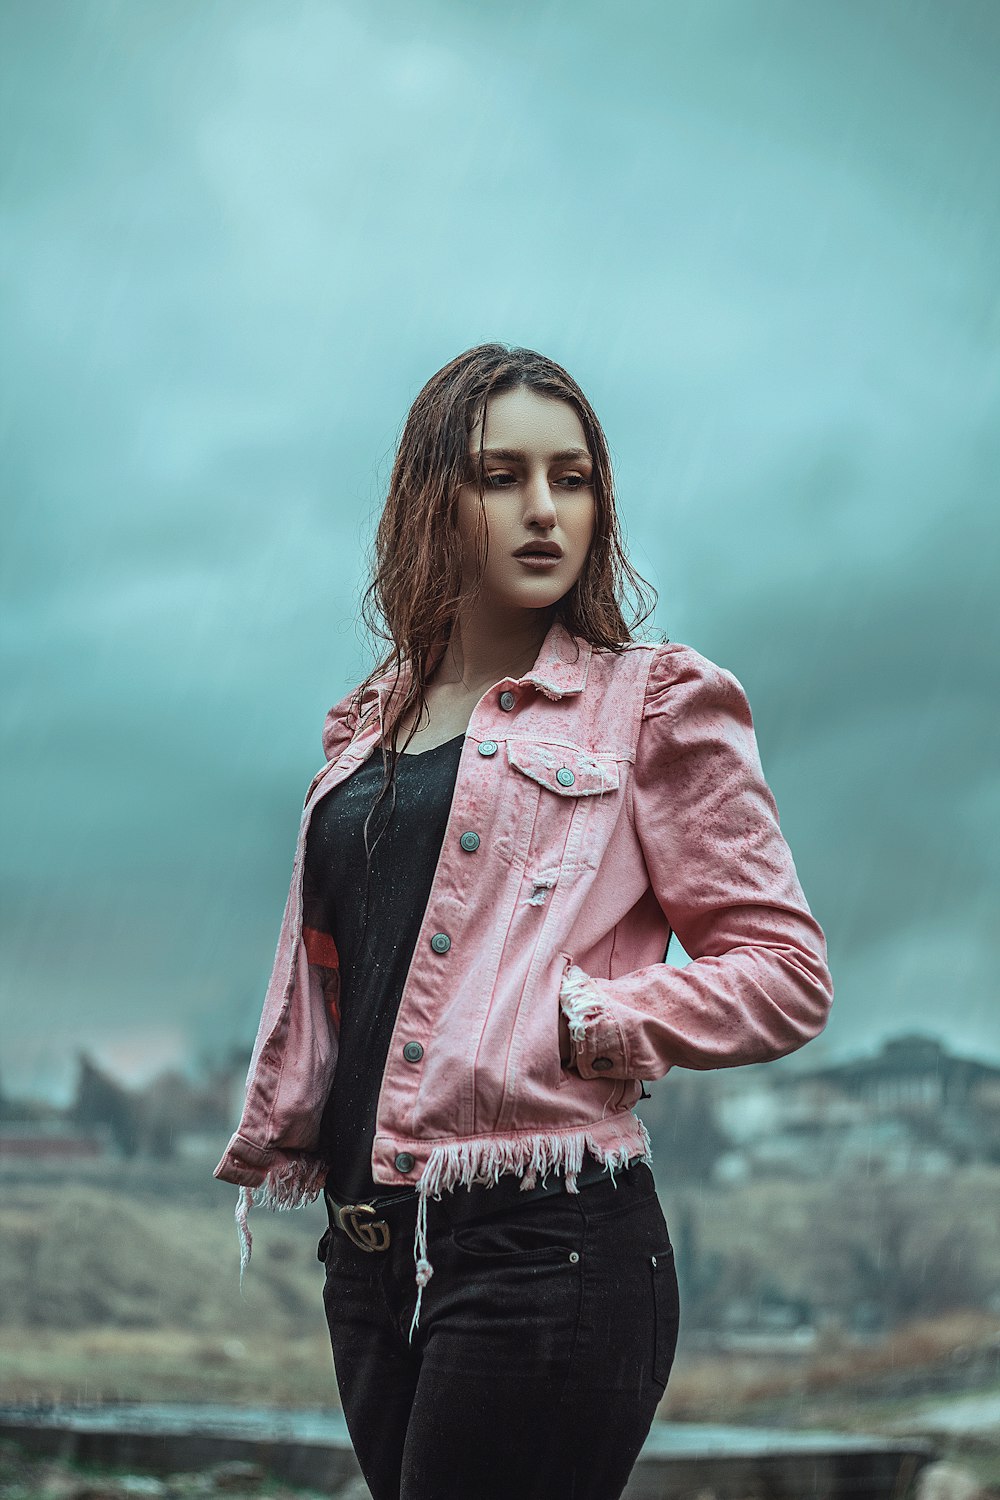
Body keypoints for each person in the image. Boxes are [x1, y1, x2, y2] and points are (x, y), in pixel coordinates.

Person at [215, 343, 834, 1500]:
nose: (544, 511)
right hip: (368, 1246)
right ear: (429, 499)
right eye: (502, 476)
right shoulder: (366, 727)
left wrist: (590, 1017)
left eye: (575, 477)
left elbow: (786, 971)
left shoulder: (651, 706)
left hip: (547, 1246)